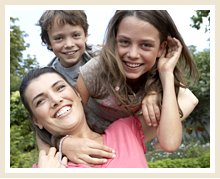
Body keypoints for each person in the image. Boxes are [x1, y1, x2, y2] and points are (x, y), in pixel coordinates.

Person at [35, 10, 173, 165]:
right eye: (59, 38)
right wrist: (63, 144)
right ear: (48, 42)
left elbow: (151, 70)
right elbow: (40, 125)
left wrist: (153, 92)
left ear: (86, 35)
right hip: (83, 138)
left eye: (75, 35)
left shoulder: (102, 57)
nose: (69, 44)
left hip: (119, 133)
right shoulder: (49, 79)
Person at [61, 10, 199, 162]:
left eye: (146, 45)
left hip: (123, 143)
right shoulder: (96, 70)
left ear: (161, 48)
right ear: (115, 40)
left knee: (188, 98)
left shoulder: (157, 75)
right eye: (125, 42)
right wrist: (64, 143)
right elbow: (68, 118)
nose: (133, 54)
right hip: (88, 142)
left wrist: (165, 75)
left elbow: (170, 143)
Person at [19, 67, 186, 168]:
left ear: (78, 94)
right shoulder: (45, 168)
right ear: (36, 121)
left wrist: (160, 82)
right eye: (40, 101)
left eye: (60, 88)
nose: (55, 100)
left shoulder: (125, 130)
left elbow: (187, 99)